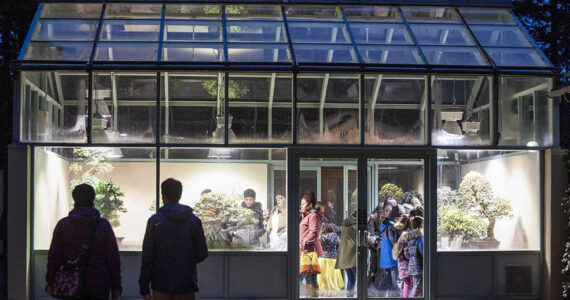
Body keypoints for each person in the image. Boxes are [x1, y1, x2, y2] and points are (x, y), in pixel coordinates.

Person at [45, 183, 122, 300]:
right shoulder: (103, 226)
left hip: (70, 285)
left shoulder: (63, 225)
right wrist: (116, 286)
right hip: (99, 283)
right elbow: (113, 258)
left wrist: (50, 281)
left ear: (74, 199)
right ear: (93, 199)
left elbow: (54, 257)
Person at [139, 178, 208, 300]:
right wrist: (186, 261)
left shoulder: (155, 221)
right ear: (180, 195)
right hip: (186, 282)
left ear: (163, 195)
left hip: (161, 283)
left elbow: (147, 256)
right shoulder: (194, 221)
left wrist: (144, 286)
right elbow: (202, 253)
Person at [392, 209, 424, 298]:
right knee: (414, 285)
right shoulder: (413, 235)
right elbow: (411, 251)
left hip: (403, 263)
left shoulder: (404, 234)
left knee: (408, 284)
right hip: (409, 263)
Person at [299, 190, 323, 298]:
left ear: (310, 205)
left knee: (310, 276)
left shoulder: (313, 215)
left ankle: (311, 296)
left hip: (310, 250)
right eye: (301, 204)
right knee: (310, 276)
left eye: (303, 204)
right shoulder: (307, 215)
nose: (301, 206)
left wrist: (305, 242)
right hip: (307, 250)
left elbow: (314, 231)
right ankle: (312, 296)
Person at [378, 204, 405, 297]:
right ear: (398, 216)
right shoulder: (393, 226)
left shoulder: (387, 224)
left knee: (386, 280)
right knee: (396, 282)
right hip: (393, 259)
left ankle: (377, 296)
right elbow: (395, 242)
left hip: (387, 259)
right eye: (402, 216)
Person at [317, 223, 344, 295]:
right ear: (331, 229)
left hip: (322, 259)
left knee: (323, 276)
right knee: (333, 276)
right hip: (333, 259)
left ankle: (323, 291)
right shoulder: (335, 236)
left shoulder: (320, 236)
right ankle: (332, 291)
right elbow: (340, 245)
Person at [335, 211, 357, 297]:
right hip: (352, 256)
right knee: (354, 277)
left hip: (344, 255)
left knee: (351, 278)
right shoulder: (356, 225)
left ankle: (349, 296)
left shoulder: (346, 223)